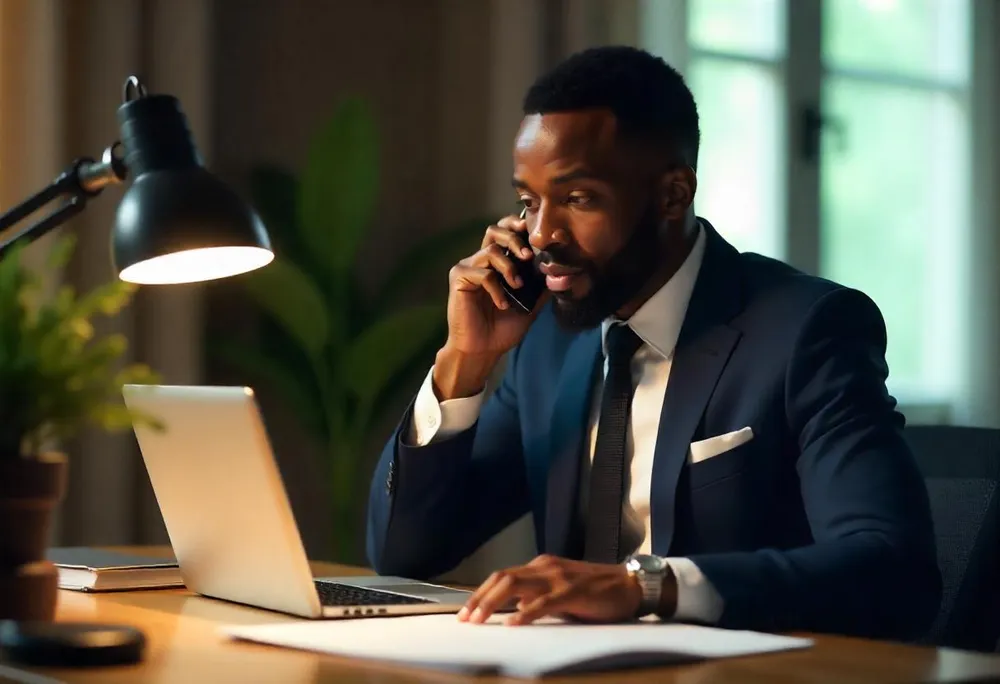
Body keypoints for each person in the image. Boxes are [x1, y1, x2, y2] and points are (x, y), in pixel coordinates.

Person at [366, 45, 941, 639]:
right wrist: (465, 361)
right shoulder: (546, 344)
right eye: (529, 202)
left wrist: (645, 586)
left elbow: (892, 572)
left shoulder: (808, 330)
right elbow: (404, 555)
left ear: (672, 194)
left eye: (577, 199)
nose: (541, 235)